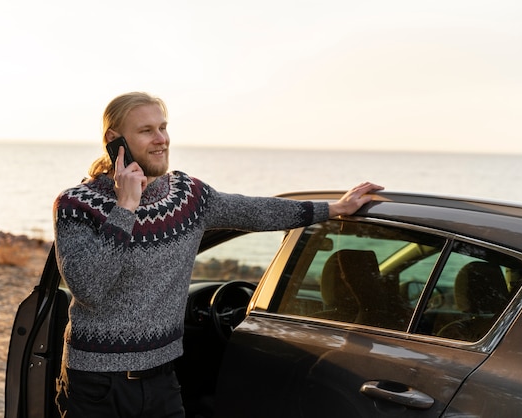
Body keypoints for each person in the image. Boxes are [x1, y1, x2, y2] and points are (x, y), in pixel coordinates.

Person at [53, 91, 383, 418]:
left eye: (163, 127)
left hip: (162, 383)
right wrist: (126, 206)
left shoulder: (189, 197)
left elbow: (258, 211)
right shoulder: (76, 204)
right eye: (146, 130)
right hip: (95, 385)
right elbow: (89, 288)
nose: (161, 139)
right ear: (115, 139)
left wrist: (335, 208)